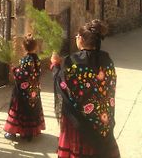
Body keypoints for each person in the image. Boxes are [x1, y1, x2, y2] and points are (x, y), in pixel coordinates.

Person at [50, 19, 120, 158]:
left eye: (77, 36)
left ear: (81, 39)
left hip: (78, 122)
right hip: (101, 118)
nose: (76, 38)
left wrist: (55, 66)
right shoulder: (107, 59)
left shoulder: (72, 61)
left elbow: (62, 84)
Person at [4, 33, 46, 141]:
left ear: (23, 46)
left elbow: (23, 75)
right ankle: (31, 132)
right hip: (34, 90)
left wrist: (14, 70)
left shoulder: (25, 60)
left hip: (23, 91)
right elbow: (36, 73)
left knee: (19, 109)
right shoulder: (37, 59)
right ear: (35, 46)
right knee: (32, 108)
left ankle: (12, 132)